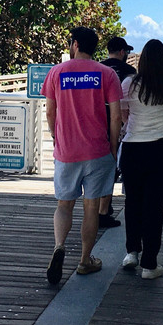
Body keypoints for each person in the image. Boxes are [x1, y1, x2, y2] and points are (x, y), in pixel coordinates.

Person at [41, 27, 123, 285]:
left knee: (64, 204)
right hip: (97, 151)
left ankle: (59, 246)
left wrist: (57, 138)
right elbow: (117, 117)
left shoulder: (57, 72)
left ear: (75, 44)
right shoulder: (107, 73)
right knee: (91, 207)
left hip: (67, 152)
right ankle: (85, 260)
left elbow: (50, 113)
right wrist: (112, 147)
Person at [119, 39, 163, 279]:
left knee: (133, 201)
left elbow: (125, 115)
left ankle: (132, 252)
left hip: (134, 148)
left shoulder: (130, 84)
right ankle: (150, 264)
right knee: (155, 205)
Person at [99, 36, 137, 229]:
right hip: (119, 125)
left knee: (97, 169)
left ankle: (96, 209)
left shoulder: (98, 68)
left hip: (97, 123)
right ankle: (103, 213)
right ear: (122, 52)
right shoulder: (130, 72)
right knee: (112, 169)